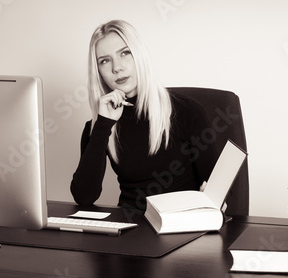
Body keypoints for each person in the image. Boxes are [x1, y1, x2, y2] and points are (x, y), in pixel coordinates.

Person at [70, 19, 218, 211]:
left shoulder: (187, 111)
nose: (117, 67)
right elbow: (84, 197)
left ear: (139, 55)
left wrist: (211, 200)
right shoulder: (99, 126)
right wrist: (104, 125)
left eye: (125, 53)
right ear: (98, 71)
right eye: (105, 61)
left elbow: (219, 189)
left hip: (182, 225)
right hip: (130, 229)